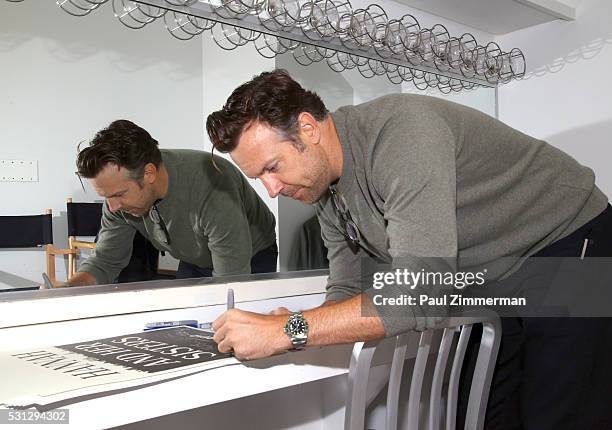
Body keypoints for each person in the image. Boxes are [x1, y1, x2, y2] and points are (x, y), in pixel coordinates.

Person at [205, 69, 612, 429]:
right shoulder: (324, 190)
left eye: (272, 168)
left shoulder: (403, 133)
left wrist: (289, 331)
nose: (271, 189)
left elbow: (417, 293)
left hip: (568, 239)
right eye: (259, 177)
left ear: (308, 128)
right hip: (495, 269)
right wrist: (305, 322)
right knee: (483, 411)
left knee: (560, 413)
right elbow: (349, 286)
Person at [66, 119, 277, 286]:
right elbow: (105, 261)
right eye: (106, 197)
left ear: (149, 173)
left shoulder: (212, 185)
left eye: (119, 195)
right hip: (194, 256)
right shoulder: (117, 196)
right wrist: (69, 290)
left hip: (250, 255)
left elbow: (231, 280)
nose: (112, 207)